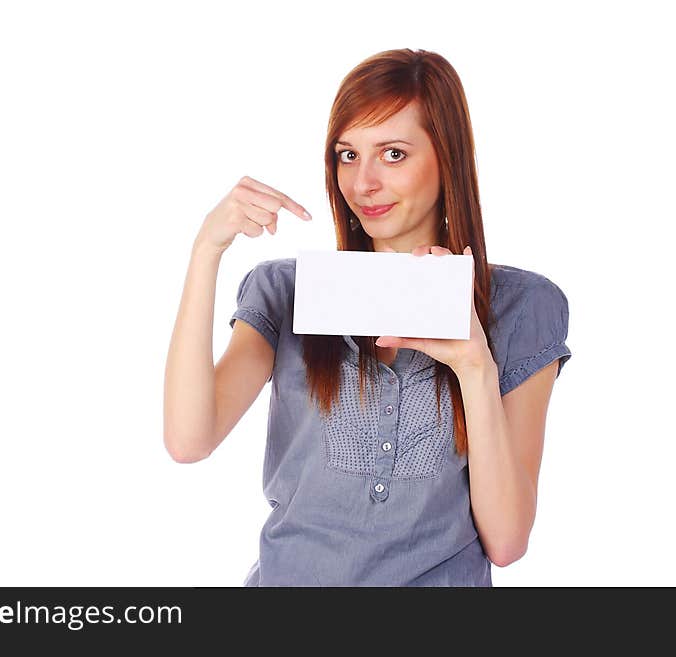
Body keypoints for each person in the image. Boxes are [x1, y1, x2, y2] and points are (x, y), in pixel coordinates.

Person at [163, 48, 572, 586]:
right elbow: (189, 440)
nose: (362, 183)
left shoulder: (524, 306)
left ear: (447, 157)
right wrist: (205, 251)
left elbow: (507, 540)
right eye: (348, 155)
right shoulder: (286, 291)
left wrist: (475, 367)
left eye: (393, 154)